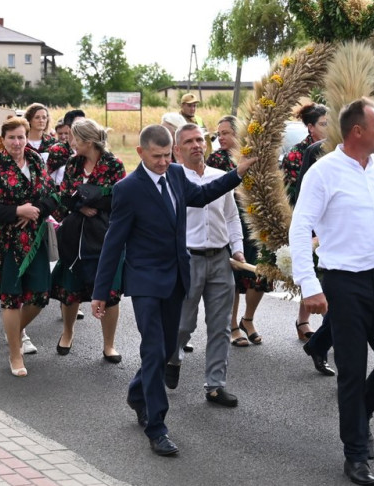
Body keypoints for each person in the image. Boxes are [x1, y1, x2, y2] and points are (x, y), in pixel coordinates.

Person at [91, 124, 256, 457]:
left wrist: (237, 173)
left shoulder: (177, 175)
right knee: (154, 350)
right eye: (157, 156)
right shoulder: (127, 189)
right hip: (145, 282)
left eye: (168, 155)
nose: (164, 162)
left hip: (177, 278)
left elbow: (203, 195)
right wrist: (100, 292)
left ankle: (137, 393)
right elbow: (114, 242)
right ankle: (157, 427)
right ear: (140, 152)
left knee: (166, 348)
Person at [288, 99, 374, 486]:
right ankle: (355, 454)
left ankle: (360, 415)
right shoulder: (324, 172)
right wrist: (309, 284)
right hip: (344, 283)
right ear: (357, 131)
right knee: (352, 371)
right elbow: (300, 227)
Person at [164, 124, 246, 408]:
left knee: (220, 326)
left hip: (221, 259)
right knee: (183, 324)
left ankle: (215, 385)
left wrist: (237, 248)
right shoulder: (173, 179)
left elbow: (232, 217)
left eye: (200, 139)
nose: (197, 145)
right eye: (189, 141)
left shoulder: (220, 177)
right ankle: (173, 358)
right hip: (188, 260)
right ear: (177, 150)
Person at [0, 116, 60, 376]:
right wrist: (16, 211)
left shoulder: (36, 160)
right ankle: (15, 354)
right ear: (3, 140)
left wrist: (35, 210)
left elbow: (53, 195)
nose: (17, 142)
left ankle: (15, 331)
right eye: (11, 137)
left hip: (35, 238)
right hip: (6, 241)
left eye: (21, 137)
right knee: (11, 298)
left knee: (40, 295)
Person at [49, 118, 126, 362]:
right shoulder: (73, 163)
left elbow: (119, 199)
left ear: (88, 142)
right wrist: (81, 206)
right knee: (70, 289)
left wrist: (90, 199)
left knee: (109, 293)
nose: (71, 142)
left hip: (104, 237)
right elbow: (64, 195)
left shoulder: (113, 164)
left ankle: (109, 345)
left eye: (75, 138)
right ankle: (67, 333)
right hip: (75, 235)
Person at [208, 116, 267, 348]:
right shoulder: (216, 159)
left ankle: (248, 319)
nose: (221, 137)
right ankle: (232, 325)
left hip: (255, 221)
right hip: (228, 222)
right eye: (219, 133)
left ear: (238, 133)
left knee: (259, 274)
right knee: (231, 276)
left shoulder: (251, 155)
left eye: (225, 133)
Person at [284, 101, 329, 344]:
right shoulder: (297, 154)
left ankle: (324, 324)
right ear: (311, 127)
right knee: (312, 268)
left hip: (329, 216)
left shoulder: (334, 149)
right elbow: (294, 193)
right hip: (306, 215)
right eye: (323, 124)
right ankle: (305, 320)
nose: (328, 128)